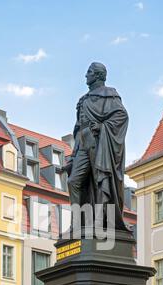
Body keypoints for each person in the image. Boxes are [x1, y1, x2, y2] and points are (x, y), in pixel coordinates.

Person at [62, 62, 129, 230]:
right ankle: (77, 224)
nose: (86, 75)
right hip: (83, 143)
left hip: (99, 143)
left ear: (98, 75)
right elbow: (78, 128)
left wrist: (103, 126)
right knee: (73, 181)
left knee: (100, 181)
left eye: (89, 72)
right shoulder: (83, 100)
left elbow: (121, 117)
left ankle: (100, 222)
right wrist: (73, 155)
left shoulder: (110, 95)